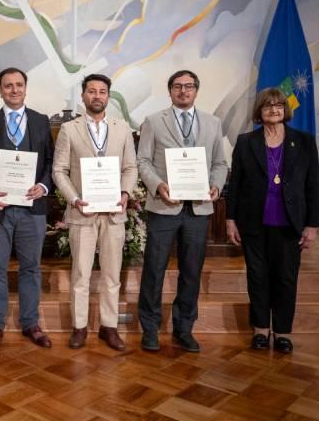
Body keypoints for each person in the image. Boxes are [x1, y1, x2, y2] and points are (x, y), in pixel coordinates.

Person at [136, 70, 228, 352]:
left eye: (189, 86)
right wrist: (158, 185)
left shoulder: (213, 123)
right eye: (178, 86)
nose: (184, 91)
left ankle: (184, 329)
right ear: (170, 91)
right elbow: (143, 161)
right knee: (154, 269)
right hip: (164, 207)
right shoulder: (153, 121)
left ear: (196, 91)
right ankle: (150, 329)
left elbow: (220, 163)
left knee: (191, 272)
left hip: (198, 210)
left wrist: (215, 185)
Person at [226, 88, 319, 353]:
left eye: (279, 105)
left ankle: (282, 332)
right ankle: (260, 330)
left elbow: (313, 185)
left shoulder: (304, 141)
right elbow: (236, 185)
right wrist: (230, 219)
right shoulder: (245, 141)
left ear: (285, 110)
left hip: (290, 224)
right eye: (268, 106)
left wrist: (312, 225)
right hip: (254, 223)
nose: (274, 109)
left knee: (286, 278)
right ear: (260, 111)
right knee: (257, 277)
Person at [52, 74, 137, 351]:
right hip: (82, 213)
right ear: (83, 96)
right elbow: (59, 171)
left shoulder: (122, 128)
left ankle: (108, 327)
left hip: (113, 213)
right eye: (91, 91)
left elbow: (130, 167)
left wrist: (124, 194)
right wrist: (75, 200)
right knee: (81, 274)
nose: (97, 96)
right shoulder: (69, 129)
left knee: (112, 274)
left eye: (102, 91)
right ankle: (79, 327)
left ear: (108, 97)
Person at [0, 67, 54, 349]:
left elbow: (51, 162)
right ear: (0, 90)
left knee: (31, 268)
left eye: (19, 85)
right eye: (8, 86)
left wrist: (43, 186)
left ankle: (30, 322)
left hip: (33, 209)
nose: (14, 90)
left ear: (25, 88)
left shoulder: (42, 122)